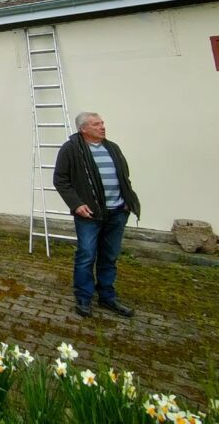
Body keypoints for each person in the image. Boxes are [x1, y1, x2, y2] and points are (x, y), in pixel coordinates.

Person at [53, 112, 140, 318]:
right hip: (89, 215)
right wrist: (76, 204)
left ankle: (107, 297)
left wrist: (127, 202)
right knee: (86, 256)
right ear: (83, 129)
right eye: (96, 124)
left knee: (109, 257)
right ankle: (84, 297)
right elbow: (60, 180)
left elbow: (124, 176)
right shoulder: (71, 150)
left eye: (102, 123)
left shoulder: (113, 148)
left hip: (117, 212)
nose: (102, 127)